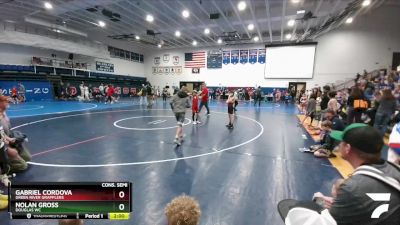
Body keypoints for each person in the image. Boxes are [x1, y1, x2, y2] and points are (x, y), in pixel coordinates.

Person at [328, 123, 400, 225]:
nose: (339, 144)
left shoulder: (352, 188)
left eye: (341, 142)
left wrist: (322, 201)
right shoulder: (395, 169)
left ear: (347, 148)